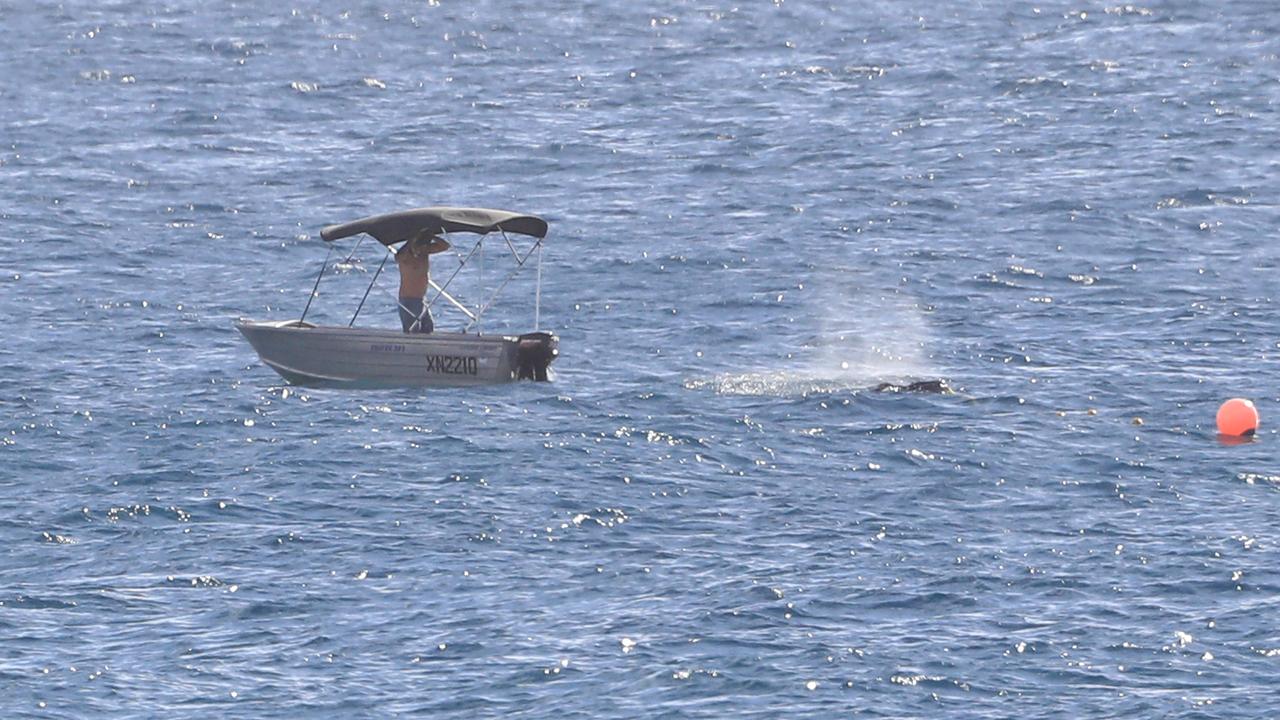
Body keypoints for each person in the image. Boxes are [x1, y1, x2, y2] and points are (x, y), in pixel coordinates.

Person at [395, 231, 450, 333]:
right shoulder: (405, 256)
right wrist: (411, 241)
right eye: (419, 246)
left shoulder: (424, 252)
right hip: (408, 301)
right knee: (412, 331)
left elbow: (445, 246)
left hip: (421, 300)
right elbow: (398, 258)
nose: (421, 249)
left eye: (424, 246)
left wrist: (432, 236)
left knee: (428, 328)